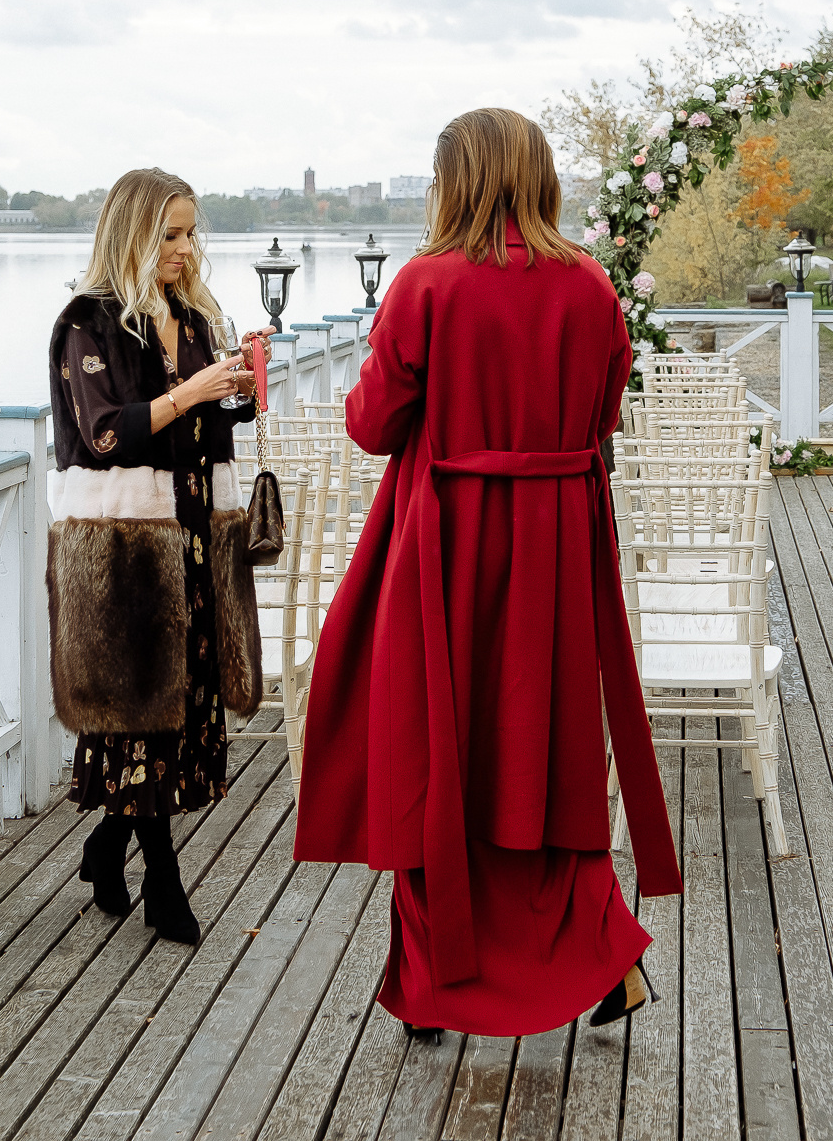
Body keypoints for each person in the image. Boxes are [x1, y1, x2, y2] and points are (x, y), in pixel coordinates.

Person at [292, 108, 681, 1037]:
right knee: (549, 759)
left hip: (444, 548)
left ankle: (437, 983)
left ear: (457, 181)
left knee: (433, 752)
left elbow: (373, 424)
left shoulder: (425, 284)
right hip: (554, 550)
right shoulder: (592, 286)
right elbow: (602, 417)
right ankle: (605, 959)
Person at [46, 167, 268, 944]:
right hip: (123, 552)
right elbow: (105, 431)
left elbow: (200, 432)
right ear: (134, 236)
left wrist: (234, 391)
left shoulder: (192, 317)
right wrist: (193, 391)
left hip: (194, 537)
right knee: (140, 712)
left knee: (175, 709)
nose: (184, 248)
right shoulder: (88, 323)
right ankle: (164, 884)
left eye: (189, 233)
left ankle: (107, 847)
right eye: (169, 235)